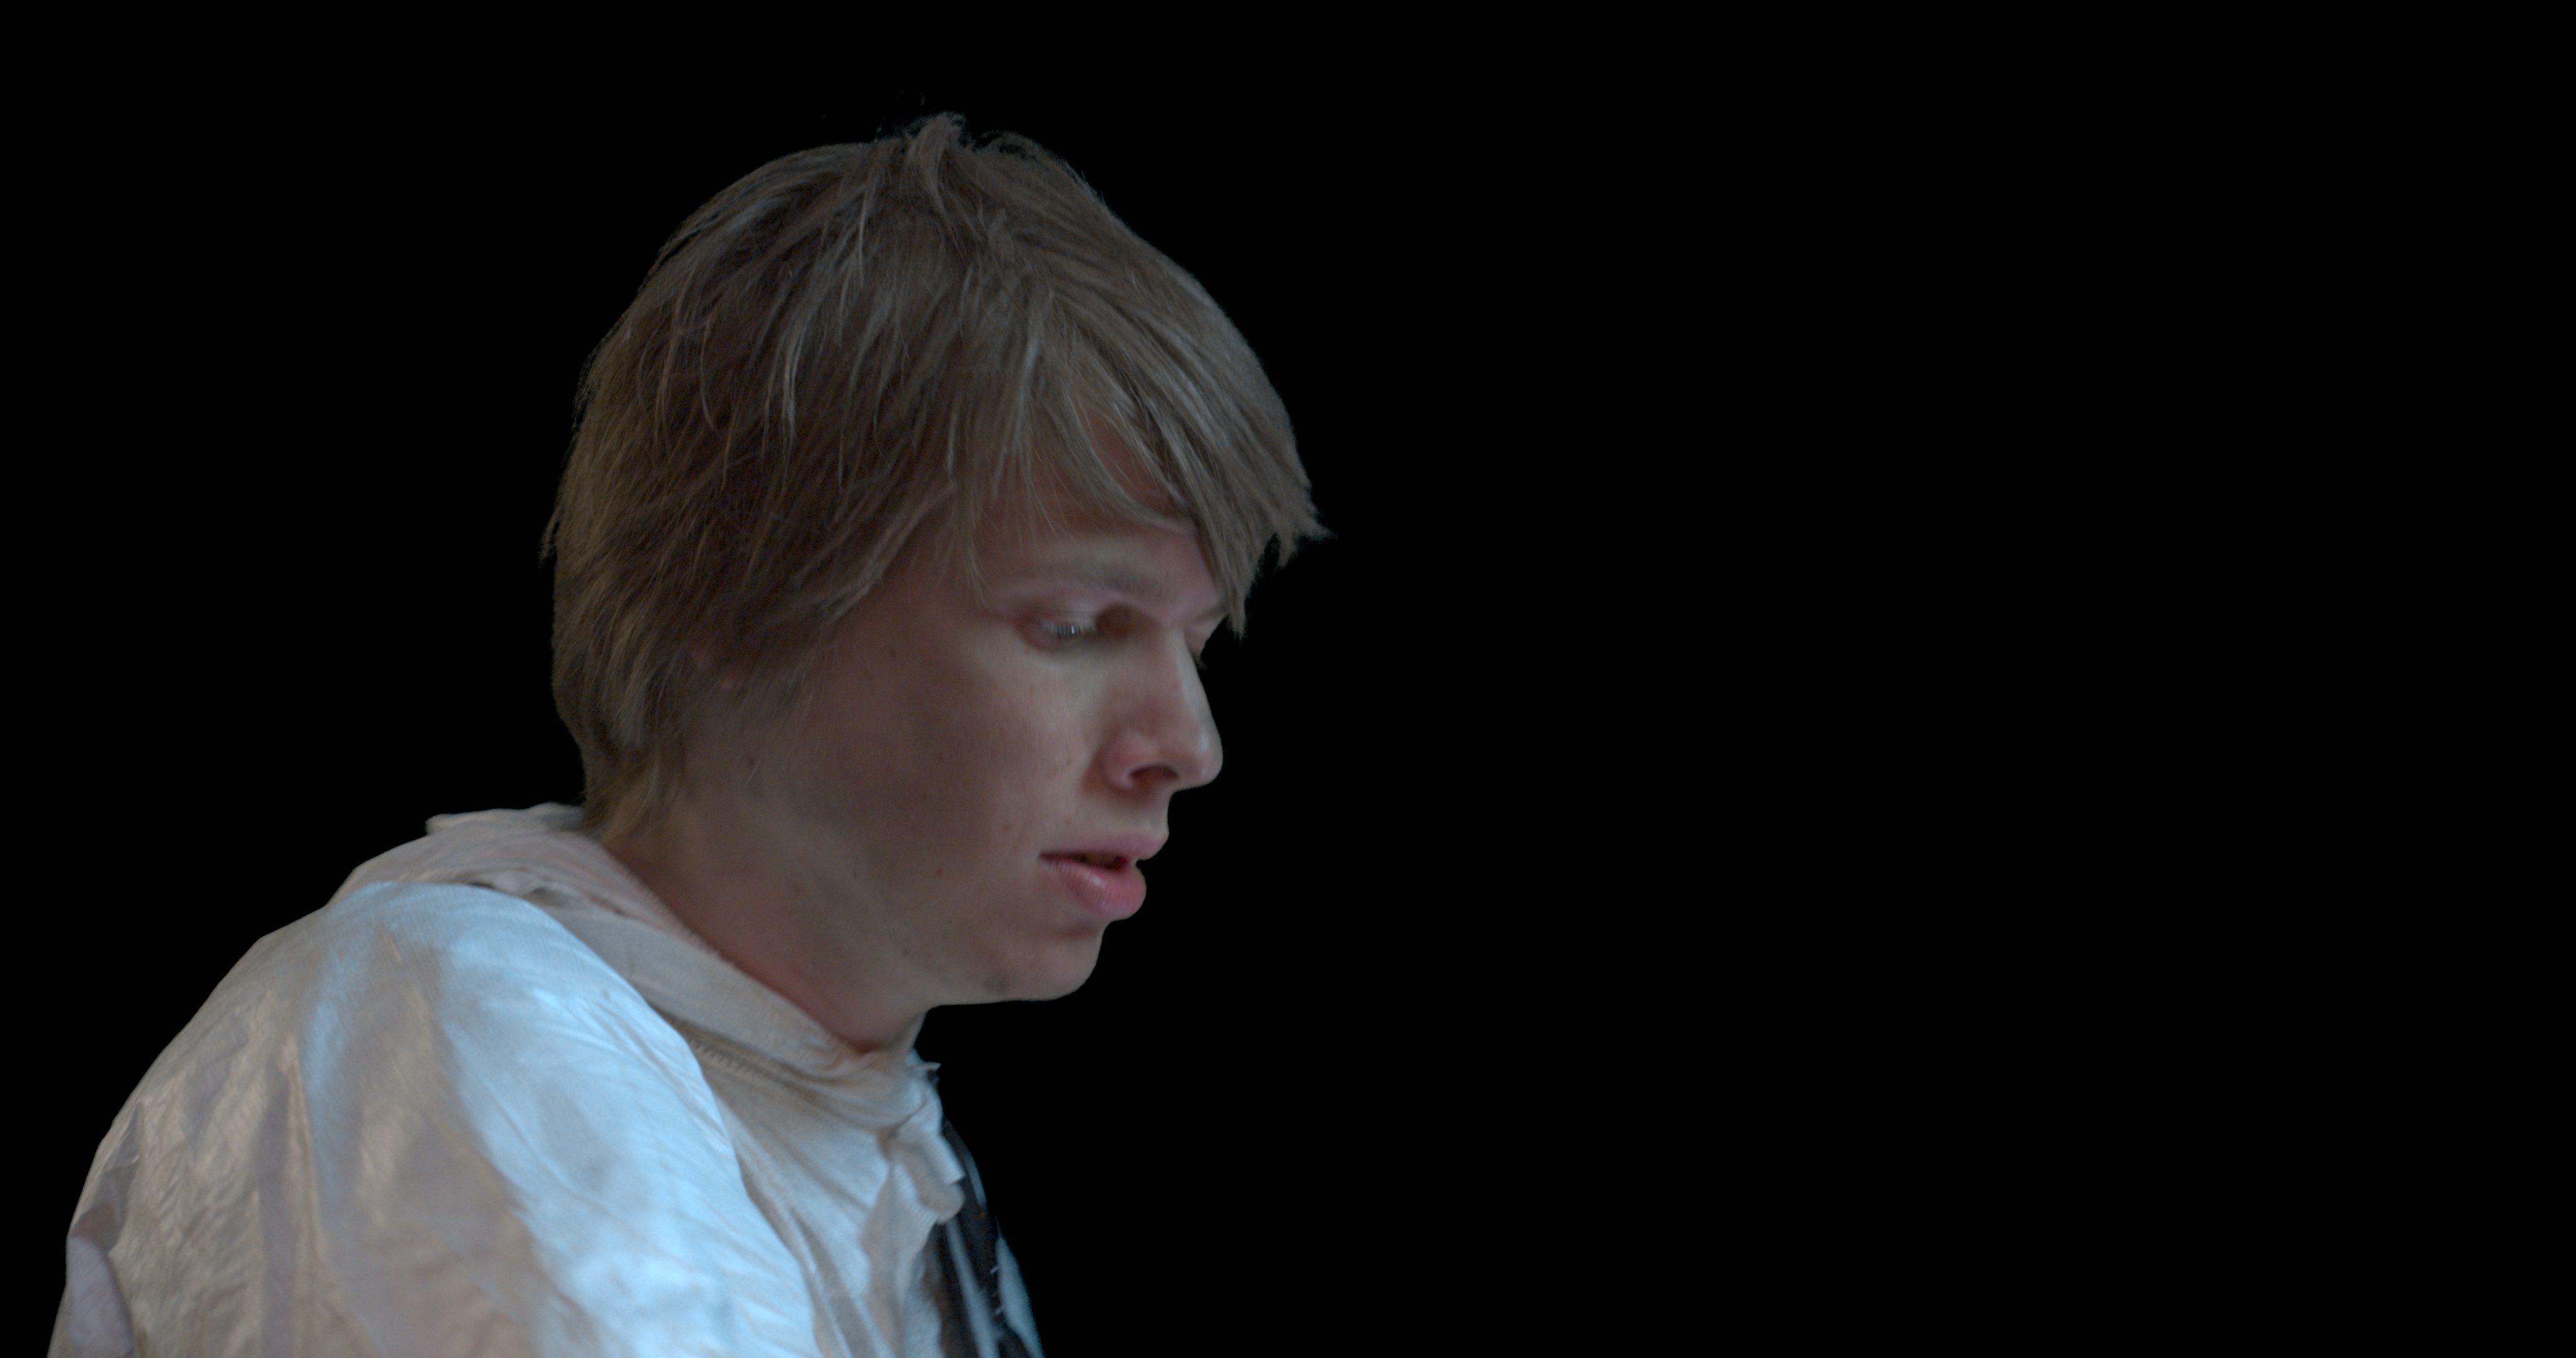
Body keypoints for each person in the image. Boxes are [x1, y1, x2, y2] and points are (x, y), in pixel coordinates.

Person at [52, 114, 1319, 1357]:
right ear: (743, 599)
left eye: (1196, 643)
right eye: (1075, 625)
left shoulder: (877, 1148)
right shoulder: (457, 1031)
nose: (1187, 744)